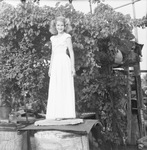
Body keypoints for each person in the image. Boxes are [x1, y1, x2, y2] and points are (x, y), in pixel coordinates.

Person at [46, 16, 76, 120]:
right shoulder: (53, 38)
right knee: (56, 86)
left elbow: (71, 51)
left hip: (64, 62)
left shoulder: (67, 36)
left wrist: (73, 67)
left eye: (62, 25)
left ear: (65, 26)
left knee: (64, 85)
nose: (60, 27)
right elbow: (52, 53)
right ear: (55, 26)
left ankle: (66, 113)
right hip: (56, 63)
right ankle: (57, 113)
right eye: (58, 25)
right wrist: (50, 68)